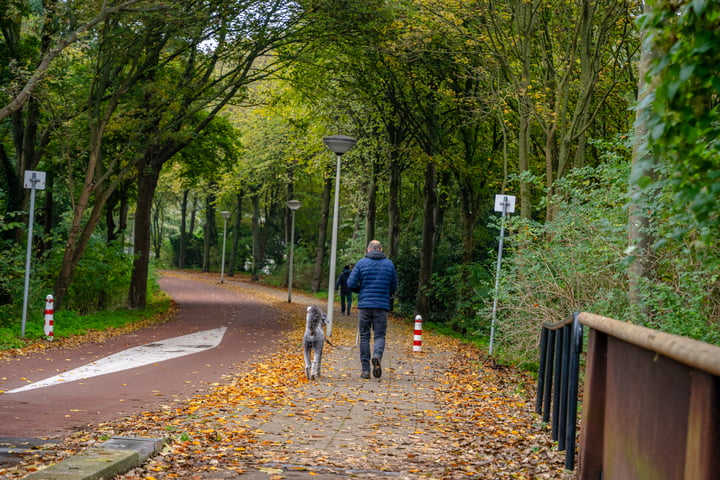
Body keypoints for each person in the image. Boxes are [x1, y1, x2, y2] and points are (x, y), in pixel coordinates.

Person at [347, 240, 397, 379]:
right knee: (380, 335)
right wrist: (387, 295)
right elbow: (394, 286)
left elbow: (350, 284)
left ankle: (365, 370)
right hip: (382, 306)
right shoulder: (389, 264)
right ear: (381, 250)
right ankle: (377, 356)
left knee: (364, 336)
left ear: (368, 250)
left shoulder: (361, 263)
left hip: (365, 306)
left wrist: (360, 291)